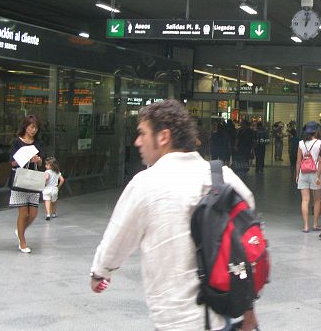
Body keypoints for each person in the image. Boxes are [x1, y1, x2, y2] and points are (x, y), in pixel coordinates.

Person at [89, 99, 258, 331]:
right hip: (223, 313)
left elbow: (118, 237)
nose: (137, 142)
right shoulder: (223, 176)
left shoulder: (145, 184)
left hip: (176, 318)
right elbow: (249, 238)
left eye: (142, 134)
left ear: (163, 137)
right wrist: (249, 310)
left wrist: (100, 273)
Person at [8, 115, 45, 254]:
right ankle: (22, 242)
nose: (33, 130)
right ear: (25, 126)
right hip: (20, 180)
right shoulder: (17, 142)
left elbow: (42, 161)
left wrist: (38, 160)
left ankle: (20, 230)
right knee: (23, 212)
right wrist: (26, 158)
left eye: (36, 127)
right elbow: (12, 162)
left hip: (33, 180)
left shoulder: (38, 143)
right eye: (31, 127)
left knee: (33, 213)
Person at [296, 121, 321, 233]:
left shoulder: (301, 143)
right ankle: (315, 224)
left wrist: (297, 175)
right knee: (317, 200)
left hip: (303, 172)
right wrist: (320, 175)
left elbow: (298, 161)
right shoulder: (320, 143)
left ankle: (306, 226)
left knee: (305, 200)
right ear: (316, 131)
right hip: (316, 173)